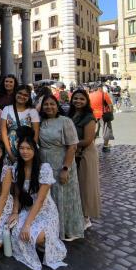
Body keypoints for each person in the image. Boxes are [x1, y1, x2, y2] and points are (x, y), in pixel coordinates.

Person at [9, 131, 67, 270]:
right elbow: (17, 195)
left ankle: (43, 242)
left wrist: (27, 225)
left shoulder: (44, 168)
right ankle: (32, 243)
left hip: (45, 211)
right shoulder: (17, 167)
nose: (25, 152)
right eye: (22, 148)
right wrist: (15, 212)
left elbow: (40, 200)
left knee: (36, 236)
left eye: (28, 148)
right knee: (14, 229)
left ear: (35, 150)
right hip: (28, 209)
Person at [38, 95, 85, 241]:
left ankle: (66, 230)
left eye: (52, 104)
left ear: (57, 106)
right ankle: (52, 229)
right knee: (50, 198)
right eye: (46, 104)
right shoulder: (41, 122)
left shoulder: (65, 121)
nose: (49, 107)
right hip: (45, 164)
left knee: (63, 198)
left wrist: (65, 168)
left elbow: (72, 146)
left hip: (61, 164)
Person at [67, 90, 101, 229]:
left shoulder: (89, 117)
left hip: (85, 154)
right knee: (76, 185)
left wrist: (69, 144)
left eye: (81, 99)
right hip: (74, 153)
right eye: (75, 98)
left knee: (85, 185)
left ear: (86, 101)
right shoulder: (71, 114)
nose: (78, 101)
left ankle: (86, 217)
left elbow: (88, 140)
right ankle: (77, 214)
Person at [0, 85, 40, 164]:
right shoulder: (7, 109)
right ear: (15, 94)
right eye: (20, 93)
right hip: (10, 148)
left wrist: (31, 151)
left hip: (27, 149)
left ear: (29, 97)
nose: (22, 96)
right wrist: (9, 153)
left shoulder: (32, 111)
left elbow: (36, 133)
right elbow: (3, 132)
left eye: (25, 95)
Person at [89, 84, 113, 153]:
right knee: (106, 130)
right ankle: (105, 146)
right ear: (99, 88)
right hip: (103, 115)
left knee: (94, 131)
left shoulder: (89, 95)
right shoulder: (104, 94)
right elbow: (110, 105)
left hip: (93, 115)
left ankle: (92, 146)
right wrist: (111, 113)